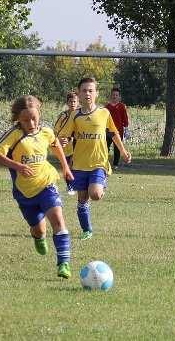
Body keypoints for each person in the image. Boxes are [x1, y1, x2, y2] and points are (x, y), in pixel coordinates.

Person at [0, 95, 74, 278]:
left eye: (34, 118)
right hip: (24, 192)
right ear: (18, 119)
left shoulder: (46, 131)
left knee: (59, 221)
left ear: (39, 115)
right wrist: (18, 166)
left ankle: (63, 264)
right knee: (39, 229)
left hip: (47, 184)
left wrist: (66, 168)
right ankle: (38, 236)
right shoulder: (14, 135)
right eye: (26, 119)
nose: (31, 123)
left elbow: (55, 144)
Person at [57, 77, 131, 240]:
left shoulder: (104, 113)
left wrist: (124, 152)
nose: (87, 94)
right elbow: (65, 136)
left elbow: (114, 133)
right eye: (84, 91)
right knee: (82, 198)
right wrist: (64, 140)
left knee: (95, 194)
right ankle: (87, 230)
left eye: (91, 90)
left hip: (99, 162)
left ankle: (100, 184)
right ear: (79, 94)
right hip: (80, 164)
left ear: (96, 93)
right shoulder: (75, 115)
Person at [54, 90, 79, 195]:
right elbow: (55, 131)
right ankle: (70, 185)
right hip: (63, 145)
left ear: (78, 102)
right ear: (67, 103)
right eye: (70, 102)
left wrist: (71, 138)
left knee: (75, 165)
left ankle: (75, 184)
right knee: (67, 166)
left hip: (75, 144)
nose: (72, 104)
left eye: (74, 101)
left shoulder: (79, 115)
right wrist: (58, 140)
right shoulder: (63, 116)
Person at [105, 87, 130, 169]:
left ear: (119, 97)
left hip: (118, 131)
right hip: (108, 131)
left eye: (116, 95)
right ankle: (104, 162)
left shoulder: (122, 106)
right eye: (113, 95)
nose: (114, 96)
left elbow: (125, 118)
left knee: (117, 148)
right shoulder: (107, 107)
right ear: (110, 96)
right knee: (105, 147)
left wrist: (126, 128)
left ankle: (115, 164)